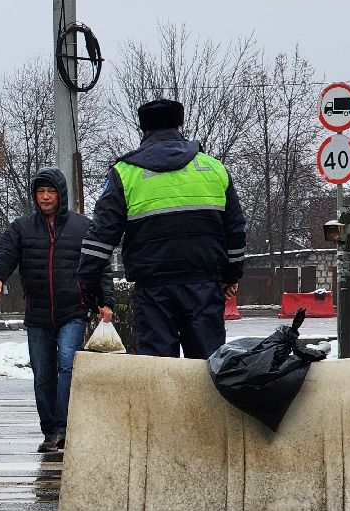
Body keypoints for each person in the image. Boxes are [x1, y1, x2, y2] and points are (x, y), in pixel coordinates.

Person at [77, 98, 247, 358]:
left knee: (158, 372)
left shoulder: (125, 173)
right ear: (180, 125)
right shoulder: (213, 168)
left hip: (153, 290)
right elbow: (235, 229)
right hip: (203, 285)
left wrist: (87, 283)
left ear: (143, 130)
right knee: (207, 369)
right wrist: (231, 275)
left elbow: (101, 236)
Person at [0, 167, 115, 455]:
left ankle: (66, 428)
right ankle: (50, 432)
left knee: (67, 365)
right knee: (42, 373)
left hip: (73, 311)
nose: (45, 197)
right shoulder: (22, 228)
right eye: (40, 192)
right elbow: (2, 254)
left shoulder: (82, 226)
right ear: (34, 196)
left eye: (50, 191)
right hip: (39, 314)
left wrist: (106, 301)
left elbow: (99, 265)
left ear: (60, 194)